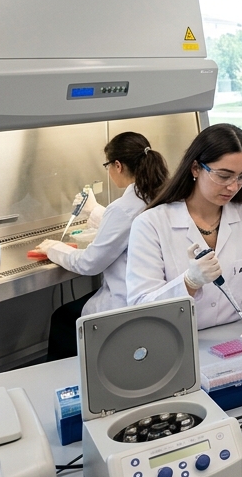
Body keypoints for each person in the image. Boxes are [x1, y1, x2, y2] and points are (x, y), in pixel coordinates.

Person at [126, 124, 242, 341]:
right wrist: (189, 283)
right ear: (195, 168)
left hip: (238, 335)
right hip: (176, 340)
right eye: (224, 176)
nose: (233, 187)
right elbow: (140, 306)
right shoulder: (151, 224)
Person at [41, 133, 168, 360]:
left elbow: (90, 263)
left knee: (62, 318)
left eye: (108, 165)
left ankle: (69, 382)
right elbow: (131, 227)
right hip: (159, 298)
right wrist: (94, 210)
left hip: (127, 302)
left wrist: (54, 249)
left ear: (117, 165)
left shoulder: (124, 207)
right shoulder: (161, 194)